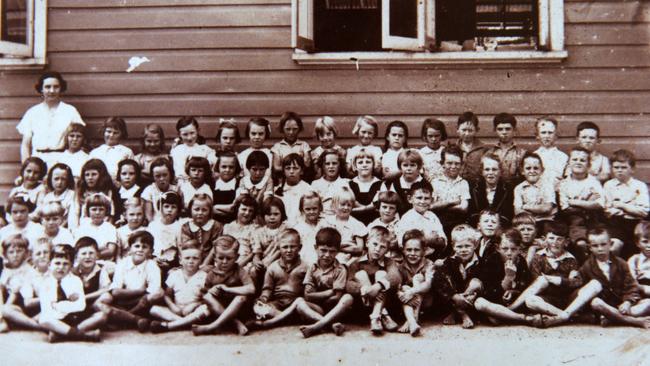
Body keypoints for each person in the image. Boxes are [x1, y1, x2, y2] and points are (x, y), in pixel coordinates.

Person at [542, 227, 650, 328]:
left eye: (603, 244)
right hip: (601, 306)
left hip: (619, 305)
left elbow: (631, 287)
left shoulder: (621, 263)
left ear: (610, 244)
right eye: (595, 246)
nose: (600, 249)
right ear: (590, 247)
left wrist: (627, 302)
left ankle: (613, 318)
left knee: (647, 303)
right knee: (596, 302)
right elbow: (576, 284)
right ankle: (633, 321)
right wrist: (563, 280)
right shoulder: (587, 266)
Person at [507, 222, 581, 324]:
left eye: (559, 239)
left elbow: (576, 282)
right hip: (546, 299)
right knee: (530, 300)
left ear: (566, 241)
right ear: (545, 239)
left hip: (564, 298)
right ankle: (566, 316)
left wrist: (558, 281)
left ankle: (510, 310)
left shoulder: (570, 259)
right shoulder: (539, 257)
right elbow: (535, 281)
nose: (555, 242)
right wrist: (549, 281)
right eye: (551, 238)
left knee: (543, 280)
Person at [99, 230, 164, 332]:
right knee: (103, 300)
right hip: (123, 300)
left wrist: (142, 293)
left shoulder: (152, 266)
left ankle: (124, 319)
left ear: (151, 251)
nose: (140, 250)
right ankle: (135, 320)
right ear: (129, 249)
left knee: (158, 294)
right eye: (137, 246)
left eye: (145, 247)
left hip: (142, 303)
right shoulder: (123, 264)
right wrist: (140, 290)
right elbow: (115, 291)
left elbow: (153, 291)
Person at [473, 229, 540, 326]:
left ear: (519, 249)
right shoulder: (492, 261)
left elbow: (525, 286)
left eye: (513, 249)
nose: (509, 253)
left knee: (494, 319)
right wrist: (508, 277)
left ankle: (503, 315)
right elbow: (489, 292)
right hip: (495, 302)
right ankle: (524, 319)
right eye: (504, 249)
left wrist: (514, 292)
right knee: (480, 303)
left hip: (514, 303)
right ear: (498, 248)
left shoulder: (520, 261)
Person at [249, 229, 313, 330]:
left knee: (305, 306)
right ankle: (289, 319)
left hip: (296, 304)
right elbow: (267, 289)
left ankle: (276, 320)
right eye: (285, 247)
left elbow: (308, 289)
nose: (289, 250)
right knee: (257, 307)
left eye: (292, 247)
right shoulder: (273, 268)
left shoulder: (305, 267)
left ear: (299, 247)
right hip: (278, 304)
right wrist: (263, 298)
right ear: (279, 248)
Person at [38, 245, 104, 342]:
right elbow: (46, 309)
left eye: (65, 264)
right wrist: (67, 305)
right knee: (44, 319)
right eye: (57, 263)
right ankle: (83, 335)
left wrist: (58, 306)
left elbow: (80, 306)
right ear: (49, 265)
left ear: (71, 265)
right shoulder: (45, 283)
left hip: (75, 317)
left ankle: (61, 334)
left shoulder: (75, 281)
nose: (61, 267)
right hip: (56, 319)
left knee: (101, 316)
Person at [192, 235, 255, 336]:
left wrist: (228, 290)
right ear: (214, 257)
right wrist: (211, 290)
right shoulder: (211, 273)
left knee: (241, 298)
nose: (224, 262)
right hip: (220, 309)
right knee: (207, 297)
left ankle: (212, 326)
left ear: (237, 257)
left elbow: (251, 289)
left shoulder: (239, 271)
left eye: (229, 258)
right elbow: (204, 294)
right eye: (221, 258)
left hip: (239, 309)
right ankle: (236, 323)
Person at [17, 71, 84, 165]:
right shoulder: (33, 112)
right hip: (37, 160)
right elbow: (25, 145)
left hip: (62, 159)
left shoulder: (70, 111)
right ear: (41, 89)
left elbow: (80, 136)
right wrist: (25, 168)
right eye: (47, 87)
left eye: (56, 87)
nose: (52, 91)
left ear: (61, 88)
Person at [345, 226, 400, 335]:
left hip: (385, 301)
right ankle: (383, 314)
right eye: (375, 244)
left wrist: (377, 287)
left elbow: (396, 277)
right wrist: (365, 289)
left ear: (387, 250)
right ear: (367, 243)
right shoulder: (356, 263)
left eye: (382, 247)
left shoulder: (389, 262)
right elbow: (348, 284)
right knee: (361, 275)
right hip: (364, 302)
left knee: (382, 274)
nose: (378, 249)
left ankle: (376, 316)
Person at [299, 227, 353, 338]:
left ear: (337, 251)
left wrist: (317, 295)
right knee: (299, 303)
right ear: (315, 248)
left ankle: (316, 326)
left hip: (335, 309)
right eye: (323, 250)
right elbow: (307, 295)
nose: (327, 255)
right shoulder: (312, 268)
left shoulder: (340, 269)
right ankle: (330, 325)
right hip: (317, 309)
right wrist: (329, 292)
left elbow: (337, 297)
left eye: (332, 251)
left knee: (347, 298)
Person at [149, 244, 211, 333]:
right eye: (187, 258)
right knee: (154, 309)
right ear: (180, 260)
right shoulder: (174, 275)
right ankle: (186, 324)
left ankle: (169, 326)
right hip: (177, 310)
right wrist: (173, 306)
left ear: (201, 260)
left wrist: (195, 304)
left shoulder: (204, 277)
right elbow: (167, 295)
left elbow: (207, 299)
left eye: (195, 258)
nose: (191, 261)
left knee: (205, 309)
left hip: (193, 310)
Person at [433, 224, 482, 329]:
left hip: (470, 298)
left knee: (476, 283)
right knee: (443, 279)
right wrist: (454, 296)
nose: (463, 250)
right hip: (453, 298)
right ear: (453, 246)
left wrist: (468, 294)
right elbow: (440, 281)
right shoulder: (449, 262)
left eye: (467, 246)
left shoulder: (480, 262)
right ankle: (462, 314)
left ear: (475, 245)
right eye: (459, 246)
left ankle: (458, 313)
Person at [603, 149, 650, 259]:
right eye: (616, 167)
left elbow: (643, 212)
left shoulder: (639, 186)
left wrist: (621, 205)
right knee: (614, 247)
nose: (619, 171)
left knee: (641, 246)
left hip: (636, 223)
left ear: (632, 169)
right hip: (616, 224)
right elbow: (608, 211)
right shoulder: (608, 185)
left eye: (624, 168)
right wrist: (632, 208)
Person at [396, 230, 435, 336]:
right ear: (403, 250)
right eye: (409, 250)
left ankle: (413, 317)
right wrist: (401, 293)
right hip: (407, 301)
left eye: (416, 250)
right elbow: (397, 287)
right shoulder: (400, 266)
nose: (412, 253)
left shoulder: (429, 264)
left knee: (417, 278)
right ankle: (412, 322)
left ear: (423, 251)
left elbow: (428, 284)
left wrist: (412, 291)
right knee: (404, 287)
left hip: (427, 301)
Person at [394, 181, 446, 259]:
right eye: (419, 198)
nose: (422, 202)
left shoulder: (432, 217)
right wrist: (427, 239)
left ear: (431, 200)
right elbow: (402, 243)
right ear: (410, 199)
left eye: (426, 198)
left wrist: (436, 241)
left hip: (432, 256)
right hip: (412, 257)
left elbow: (443, 241)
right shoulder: (407, 218)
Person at [430, 145, 470, 238]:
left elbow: (463, 208)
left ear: (462, 164)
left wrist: (441, 205)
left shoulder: (463, 183)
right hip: (438, 224)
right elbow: (431, 207)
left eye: (457, 163)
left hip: (458, 224)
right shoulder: (435, 182)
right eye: (449, 163)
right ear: (442, 163)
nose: (453, 167)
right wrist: (452, 202)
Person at [321, 186, 367, 265]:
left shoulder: (356, 224)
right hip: (328, 255)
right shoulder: (327, 222)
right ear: (334, 205)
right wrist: (342, 246)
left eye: (349, 205)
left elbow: (359, 248)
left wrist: (336, 248)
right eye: (342, 204)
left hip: (349, 257)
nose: (346, 207)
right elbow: (322, 243)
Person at [0, 234, 37, 332]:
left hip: (24, 306)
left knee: (7, 308)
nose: (15, 255)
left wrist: (3, 309)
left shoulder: (28, 270)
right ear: (5, 255)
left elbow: (17, 294)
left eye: (19, 251)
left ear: (26, 253)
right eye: (11, 252)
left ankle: (2, 319)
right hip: (8, 304)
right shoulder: (6, 269)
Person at [513, 152, 556, 230]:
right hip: (527, 222)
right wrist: (538, 210)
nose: (532, 171)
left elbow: (547, 208)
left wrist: (526, 206)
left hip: (546, 221)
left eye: (536, 168)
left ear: (542, 170)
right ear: (522, 171)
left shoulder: (547, 186)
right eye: (528, 168)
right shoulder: (519, 188)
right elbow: (518, 211)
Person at [468, 154, 514, 227]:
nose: (490, 173)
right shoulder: (474, 189)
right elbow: (472, 214)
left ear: (500, 172)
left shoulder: (508, 190)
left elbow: (508, 215)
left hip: (501, 229)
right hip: (478, 228)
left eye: (494, 169)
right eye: (487, 169)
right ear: (482, 172)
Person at [180, 193, 223, 268]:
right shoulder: (186, 227)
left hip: (209, 263)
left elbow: (215, 248)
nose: (200, 213)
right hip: (191, 262)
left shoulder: (216, 226)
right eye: (196, 209)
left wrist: (205, 264)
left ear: (210, 211)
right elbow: (186, 248)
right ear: (190, 210)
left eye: (204, 210)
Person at [169, 116, 217, 183]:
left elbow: (214, 162)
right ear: (179, 134)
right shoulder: (176, 150)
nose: (189, 138)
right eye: (185, 134)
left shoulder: (204, 149)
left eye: (192, 133)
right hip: (181, 184)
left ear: (198, 131)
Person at [484, 113, 526, 186]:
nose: (504, 132)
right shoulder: (489, 153)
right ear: (495, 130)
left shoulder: (522, 154)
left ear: (514, 130)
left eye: (508, 129)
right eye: (500, 129)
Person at [381, 149, 427, 216]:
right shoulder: (396, 184)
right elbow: (392, 203)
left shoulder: (424, 183)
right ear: (400, 167)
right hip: (400, 216)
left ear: (418, 167)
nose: (409, 168)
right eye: (405, 165)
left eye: (412, 165)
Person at [74, 193, 118, 262]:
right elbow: (77, 248)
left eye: (101, 209)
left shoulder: (110, 228)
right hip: (84, 260)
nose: (97, 212)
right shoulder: (82, 228)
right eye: (94, 209)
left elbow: (111, 250)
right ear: (88, 211)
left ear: (106, 211)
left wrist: (95, 256)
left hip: (103, 261)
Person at [223, 194, 260, 270]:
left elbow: (254, 251)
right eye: (244, 209)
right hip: (227, 260)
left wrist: (240, 264)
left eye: (250, 211)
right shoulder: (228, 227)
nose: (247, 213)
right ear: (237, 209)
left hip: (245, 260)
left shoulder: (254, 228)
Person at [271, 111, 312, 181]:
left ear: (299, 128)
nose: (291, 132)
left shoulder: (304, 145)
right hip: (282, 182)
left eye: (295, 129)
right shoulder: (277, 147)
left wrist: (286, 167)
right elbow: (276, 167)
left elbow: (307, 164)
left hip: (300, 182)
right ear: (282, 129)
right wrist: (297, 167)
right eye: (288, 129)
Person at [273, 154, 312, 223]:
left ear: (302, 171)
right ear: (283, 171)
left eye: (295, 168)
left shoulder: (308, 190)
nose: (291, 171)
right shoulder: (278, 190)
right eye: (288, 168)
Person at [310, 149, 349, 216]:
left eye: (334, 163)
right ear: (322, 166)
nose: (331, 166)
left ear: (340, 165)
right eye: (327, 164)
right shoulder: (315, 184)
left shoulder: (346, 183)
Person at [349, 149, 382, 225]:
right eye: (360, 162)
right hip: (354, 222)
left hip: (375, 222)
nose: (364, 165)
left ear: (373, 164)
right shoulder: (349, 184)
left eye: (368, 162)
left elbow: (377, 206)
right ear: (355, 166)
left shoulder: (380, 184)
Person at [141, 157, 180, 223]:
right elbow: (149, 215)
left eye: (165, 175)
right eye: (157, 176)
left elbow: (179, 211)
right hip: (155, 224)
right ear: (153, 176)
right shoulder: (149, 191)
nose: (162, 179)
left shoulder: (176, 189)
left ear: (170, 174)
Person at [533, 117, 568, 189]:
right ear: (537, 135)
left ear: (556, 135)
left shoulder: (563, 157)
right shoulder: (533, 156)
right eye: (543, 132)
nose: (547, 136)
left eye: (550, 133)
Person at [368, 191, 401, 261]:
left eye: (391, 208)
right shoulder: (372, 225)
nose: (387, 210)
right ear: (378, 208)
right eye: (384, 207)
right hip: (375, 260)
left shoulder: (400, 225)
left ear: (396, 210)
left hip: (395, 259)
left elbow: (400, 244)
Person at [456, 111, 486, 185]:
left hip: (477, 186)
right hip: (458, 185)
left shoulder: (483, 149)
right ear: (457, 129)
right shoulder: (454, 148)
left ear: (477, 130)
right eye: (464, 130)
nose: (467, 133)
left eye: (470, 130)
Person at [212, 151, 241, 224]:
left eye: (231, 167)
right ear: (218, 167)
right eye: (224, 167)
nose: (227, 170)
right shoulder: (212, 185)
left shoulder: (240, 184)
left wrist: (215, 207)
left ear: (236, 168)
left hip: (234, 224)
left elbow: (234, 209)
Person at [628, 222, 650, 310]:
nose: (649, 245)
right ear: (637, 243)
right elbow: (631, 283)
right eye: (645, 241)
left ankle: (617, 316)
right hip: (639, 298)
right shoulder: (634, 260)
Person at [419, 118, 447, 183]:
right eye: (430, 136)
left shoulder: (446, 151)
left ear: (442, 135)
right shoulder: (421, 153)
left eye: (437, 136)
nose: (434, 139)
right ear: (425, 136)